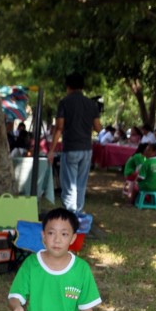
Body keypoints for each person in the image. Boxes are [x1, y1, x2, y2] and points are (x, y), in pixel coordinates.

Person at [47, 73, 102, 215]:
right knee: (80, 184)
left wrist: (51, 150)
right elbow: (98, 128)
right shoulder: (91, 104)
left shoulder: (64, 102)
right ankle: (78, 213)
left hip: (71, 148)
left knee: (69, 184)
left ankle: (70, 215)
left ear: (68, 86)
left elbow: (59, 128)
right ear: (82, 87)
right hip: (86, 149)